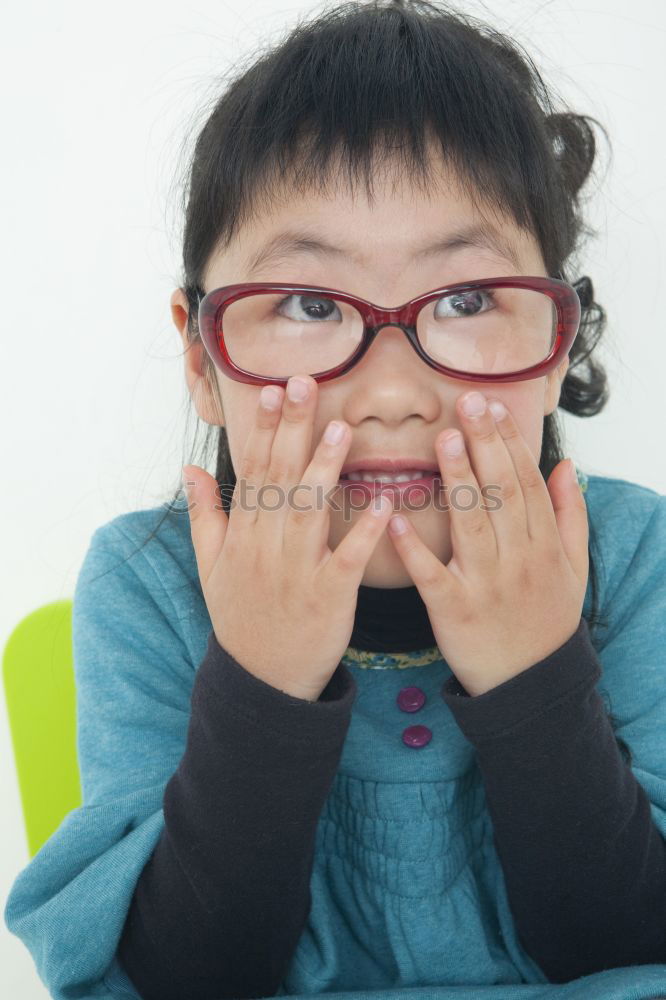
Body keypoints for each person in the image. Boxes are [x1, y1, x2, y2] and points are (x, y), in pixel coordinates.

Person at [5, 1, 666, 998]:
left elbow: (634, 944)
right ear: (200, 355)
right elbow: (175, 980)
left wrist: (535, 674)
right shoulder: (150, 588)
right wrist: (264, 678)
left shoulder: (635, 557)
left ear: (558, 340)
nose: (393, 392)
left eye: (467, 299)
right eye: (312, 305)